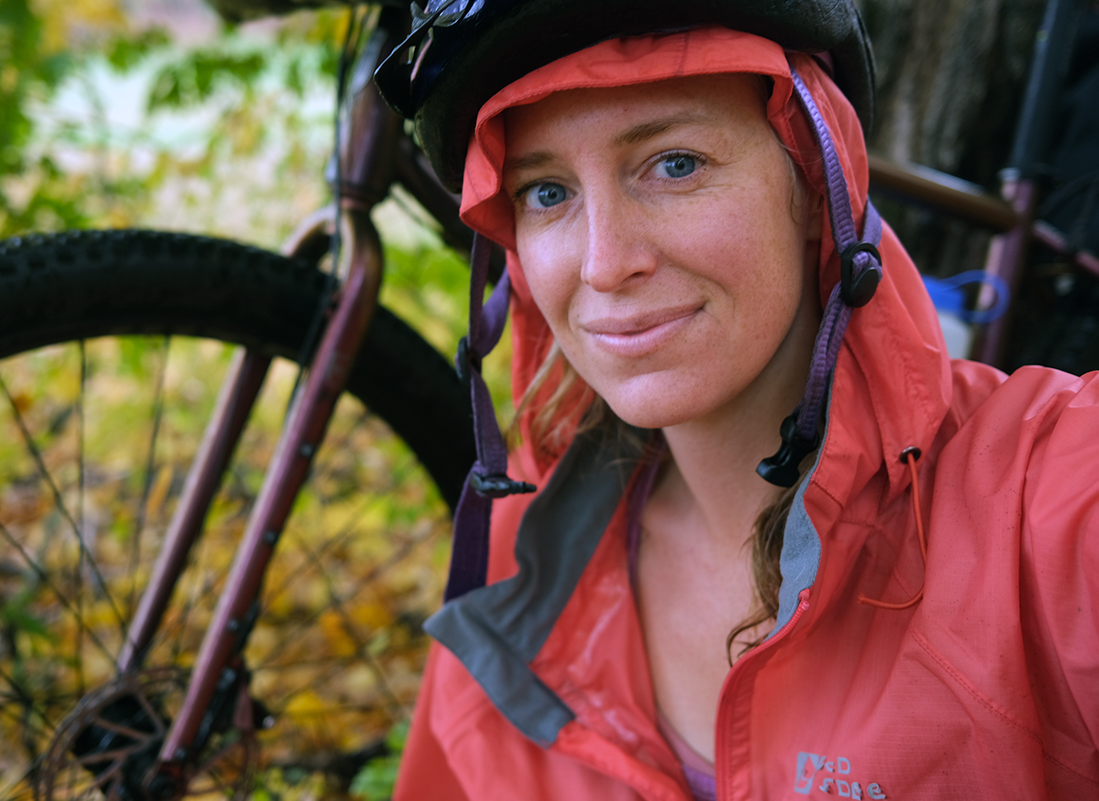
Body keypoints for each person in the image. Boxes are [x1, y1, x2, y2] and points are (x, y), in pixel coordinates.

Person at [374, 2, 1099, 799]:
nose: (605, 264)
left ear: (819, 182)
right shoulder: (518, 562)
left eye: (674, 164)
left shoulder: (1050, 500)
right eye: (546, 192)